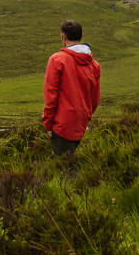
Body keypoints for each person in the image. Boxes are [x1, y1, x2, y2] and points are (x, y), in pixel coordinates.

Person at [41, 19, 102, 158]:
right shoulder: (94, 64)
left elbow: (51, 96)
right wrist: (85, 119)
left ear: (64, 37)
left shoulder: (57, 60)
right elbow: (95, 98)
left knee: (64, 167)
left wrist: (48, 124)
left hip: (62, 125)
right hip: (80, 123)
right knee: (69, 160)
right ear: (80, 36)